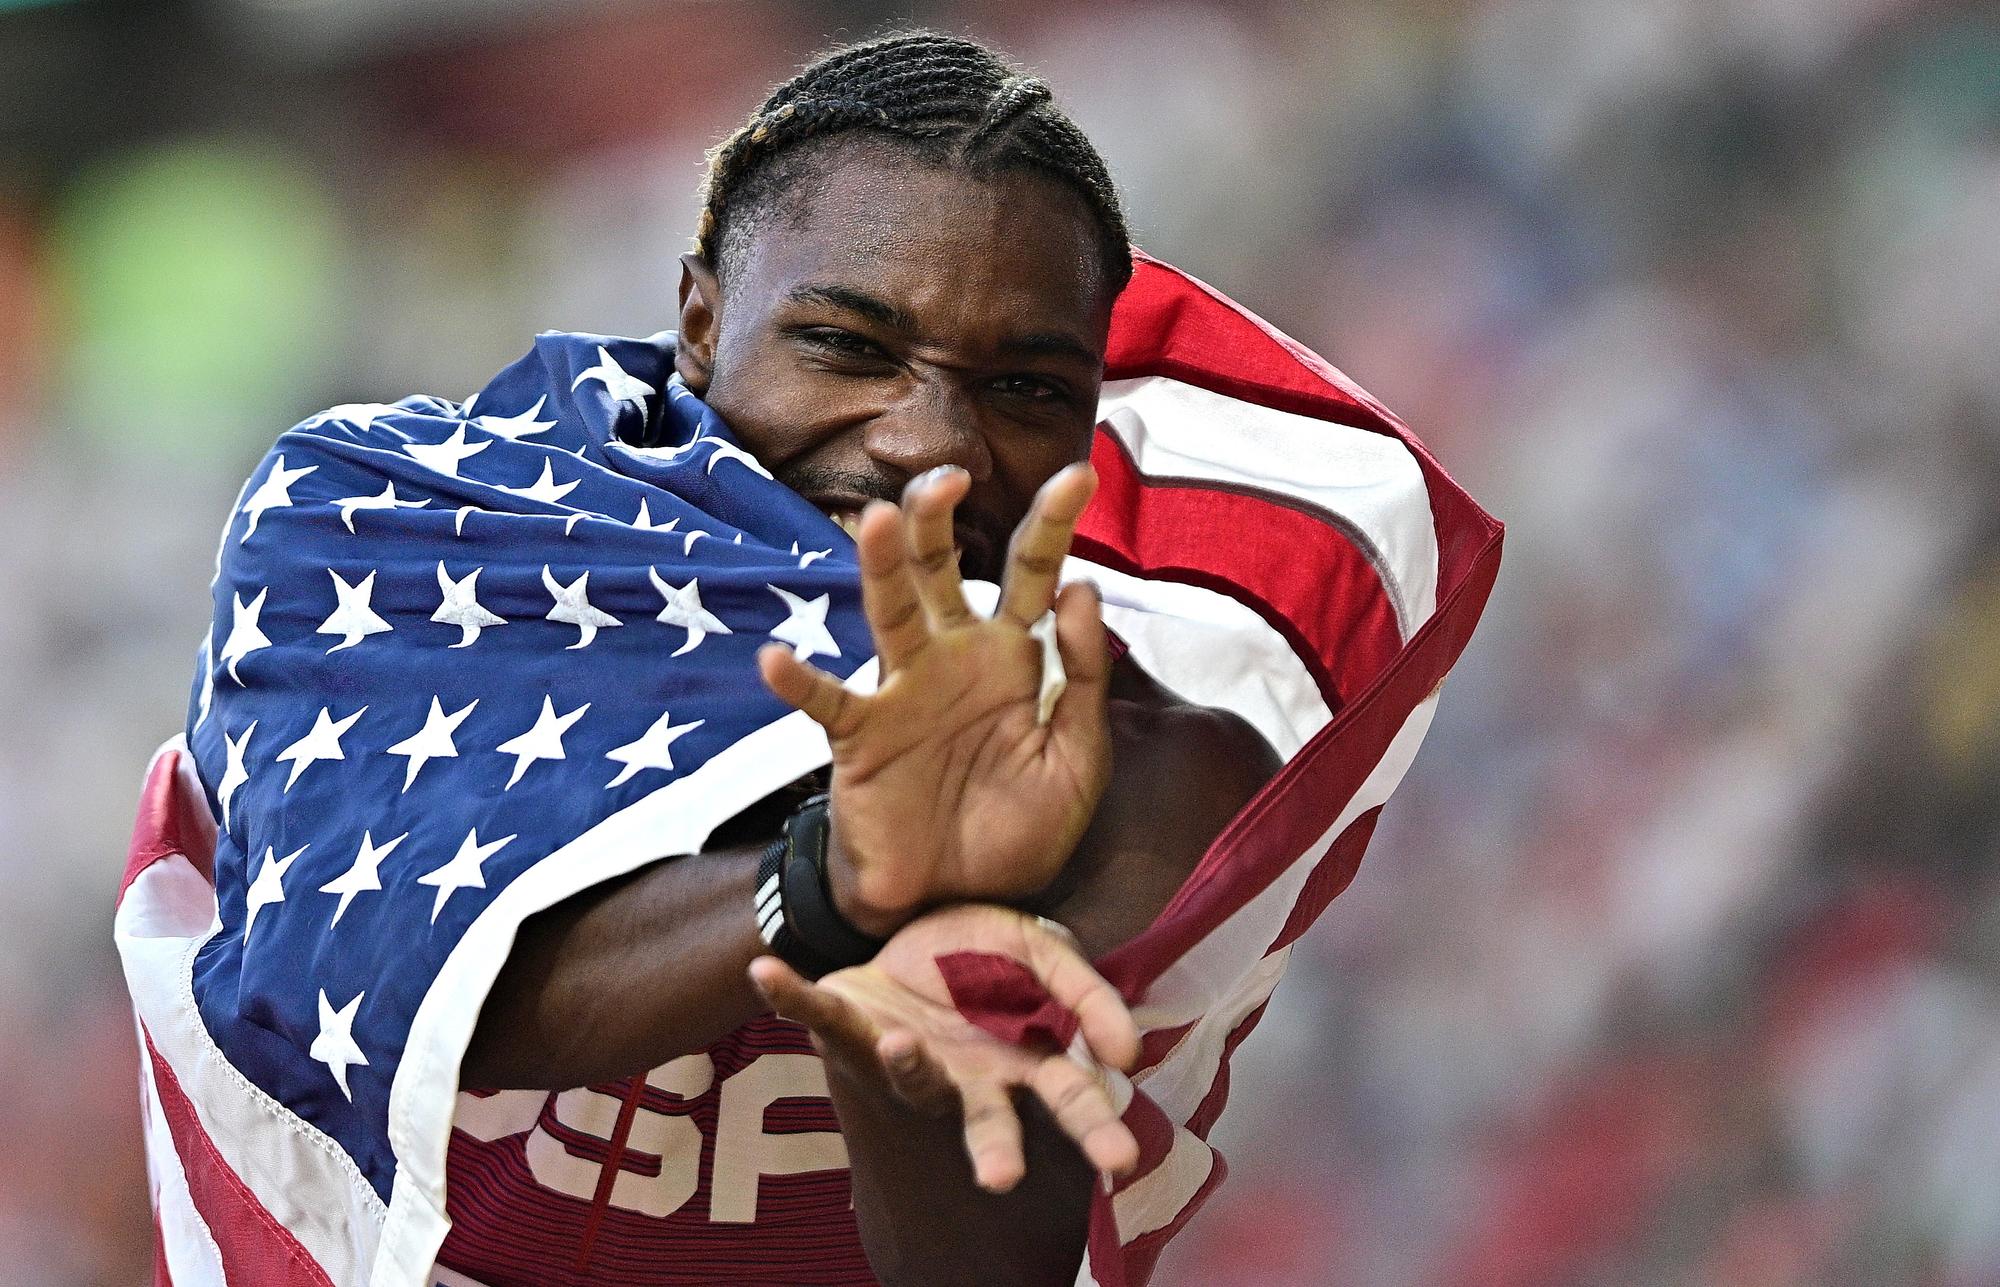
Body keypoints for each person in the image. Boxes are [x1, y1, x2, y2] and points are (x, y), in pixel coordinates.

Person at [116, 28, 1501, 1287]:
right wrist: (837, 887)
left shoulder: (1150, 757)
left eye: (1026, 388)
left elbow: (991, 1275)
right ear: (702, 317)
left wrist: (922, 972)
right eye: (848, 346)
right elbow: (376, 994)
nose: (930, 443)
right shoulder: (399, 532)